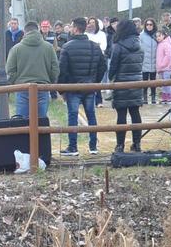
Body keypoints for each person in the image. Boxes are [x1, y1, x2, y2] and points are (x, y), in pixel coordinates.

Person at [57, 18, 105, 156]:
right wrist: (95, 81)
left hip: (73, 88)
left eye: (71, 26)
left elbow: (63, 71)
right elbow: (103, 67)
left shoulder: (67, 47)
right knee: (91, 115)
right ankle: (93, 146)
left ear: (76, 29)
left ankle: (73, 147)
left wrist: (62, 90)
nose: (70, 29)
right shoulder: (95, 46)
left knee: (73, 116)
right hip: (89, 86)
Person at [6, 20, 58, 120]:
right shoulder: (49, 47)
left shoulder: (16, 49)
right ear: (38, 31)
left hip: (22, 87)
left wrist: (16, 82)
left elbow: (10, 71)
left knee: (21, 121)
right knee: (41, 122)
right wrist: (49, 81)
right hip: (42, 86)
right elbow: (55, 69)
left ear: (24, 32)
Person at [108, 19, 145, 153]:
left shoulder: (118, 46)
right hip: (136, 82)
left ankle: (120, 145)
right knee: (135, 113)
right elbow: (141, 62)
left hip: (122, 83)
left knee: (121, 115)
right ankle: (137, 144)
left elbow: (113, 66)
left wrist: (111, 78)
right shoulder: (139, 44)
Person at [139, 17, 159, 105]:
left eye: (151, 24)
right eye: (147, 24)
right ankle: (145, 97)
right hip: (145, 61)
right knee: (145, 80)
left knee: (153, 81)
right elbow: (139, 48)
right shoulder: (141, 35)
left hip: (154, 61)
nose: (149, 26)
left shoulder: (157, 35)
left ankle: (153, 96)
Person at [155, 29, 171, 104]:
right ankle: (164, 98)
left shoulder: (166, 44)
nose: (158, 38)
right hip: (161, 68)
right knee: (163, 84)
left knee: (167, 83)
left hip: (166, 68)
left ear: (164, 35)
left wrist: (163, 64)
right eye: (156, 36)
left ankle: (169, 98)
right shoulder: (160, 44)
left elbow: (168, 55)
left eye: (159, 36)